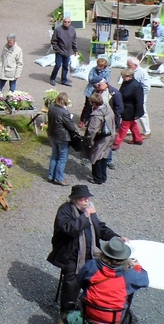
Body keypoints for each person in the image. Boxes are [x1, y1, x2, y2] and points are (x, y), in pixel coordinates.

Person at [47, 184, 126, 315]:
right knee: (71, 284)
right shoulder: (65, 210)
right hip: (71, 255)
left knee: (100, 278)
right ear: (74, 199)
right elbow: (69, 229)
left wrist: (116, 238)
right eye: (82, 198)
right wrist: (85, 216)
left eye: (87, 198)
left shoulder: (88, 210)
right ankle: (67, 312)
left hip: (91, 253)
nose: (86, 201)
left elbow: (99, 227)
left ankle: (91, 305)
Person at [74, 237, 149, 324]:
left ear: (104, 253)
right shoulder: (128, 274)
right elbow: (145, 281)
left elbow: (80, 281)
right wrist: (137, 267)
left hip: (89, 311)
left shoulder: (92, 265)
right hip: (113, 317)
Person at [83, 93, 115, 185]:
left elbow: (92, 131)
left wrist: (89, 141)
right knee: (104, 157)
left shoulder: (96, 115)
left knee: (96, 157)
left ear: (94, 103)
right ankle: (103, 176)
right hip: (110, 136)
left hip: (100, 138)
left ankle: (97, 178)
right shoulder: (108, 109)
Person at [47, 92, 76, 186]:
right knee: (62, 158)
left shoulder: (51, 108)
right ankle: (58, 178)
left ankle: (50, 176)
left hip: (53, 135)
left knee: (54, 155)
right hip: (63, 137)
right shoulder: (64, 112)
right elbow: (71, 127)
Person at [112, 68, 144, 149]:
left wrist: (138, 113)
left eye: (124, 77)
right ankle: (138, 139)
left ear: (130, 76)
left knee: (124, 126)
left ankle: (117, 143)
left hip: (131, 109)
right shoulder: (126, 82)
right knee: (132, 124)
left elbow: (139, 101)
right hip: (125, 107)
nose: (123, 78)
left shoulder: (136, 86)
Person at [79, 59, 111, 125]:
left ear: (103, 66)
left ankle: (91, 120)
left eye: (100, 66)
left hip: (100, 91)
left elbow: (107, 81)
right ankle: (83, 120)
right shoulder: (93, 69)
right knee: (87, 106)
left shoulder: (107, 71)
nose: (98, 67)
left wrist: (97, 80)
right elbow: (90, 79)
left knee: (96, 107)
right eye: (97, 65)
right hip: (90, 90)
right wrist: (100, 80)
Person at [126, 57, 151, 138]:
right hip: (131, 96)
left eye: (129, 65)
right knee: (130, 112)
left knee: (142, 113)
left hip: (140, 96)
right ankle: (129, 129)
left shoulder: (142, 72)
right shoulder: (130, 71)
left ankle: (146, 131)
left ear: (135, 65)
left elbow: (147, 87)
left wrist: (139, 95)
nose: (127, 66)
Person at [51, 16, 78, 86]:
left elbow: (74, 41)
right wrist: (57, 49)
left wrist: (75, 50)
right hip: (59, 51)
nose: (66, 23)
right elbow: (53, 41)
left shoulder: (72, 30)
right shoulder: (58, 30)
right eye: (65, 22)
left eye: (68, 22)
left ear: (70, 23)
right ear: (63, 22)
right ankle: (52, 78)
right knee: (58, 65)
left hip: (68, 52)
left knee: (66, 66)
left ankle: (64, 80)